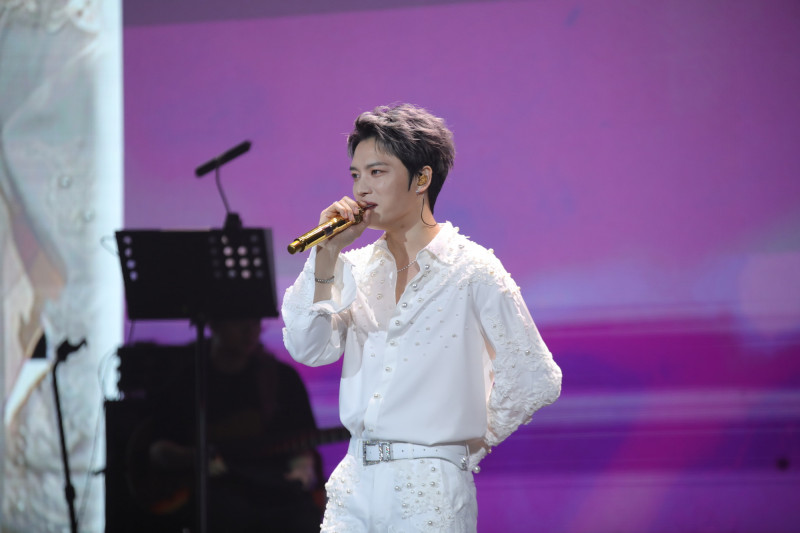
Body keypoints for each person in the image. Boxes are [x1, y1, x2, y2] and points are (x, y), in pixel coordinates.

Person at [281, 103, 562, 531]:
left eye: (377, 172)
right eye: (355, 175)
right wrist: (327, 255)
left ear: (422, 179)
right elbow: (309, 348)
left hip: (430, 491)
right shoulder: (355, 268)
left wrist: (465, 444)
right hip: (354, 486)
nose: (362, 188)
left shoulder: (473, 270)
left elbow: (534, 377)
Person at [135, 318, 324, 532]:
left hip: (278, 494)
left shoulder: (283, 378)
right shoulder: (187, 381)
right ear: (215, 324)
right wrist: (197, 458)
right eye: (239, 320)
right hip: (214, 497)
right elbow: (157, 450)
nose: (249, 330)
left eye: (256, 322)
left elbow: (303, 442)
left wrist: (303, 465)